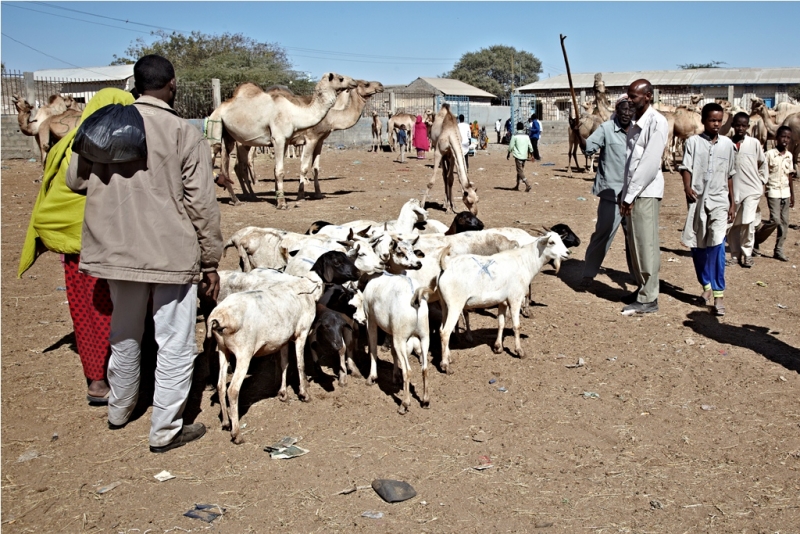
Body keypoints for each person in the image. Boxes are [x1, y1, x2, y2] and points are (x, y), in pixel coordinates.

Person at [66, 55, 223, 453]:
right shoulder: (183, 133)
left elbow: (75, 180)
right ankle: (165, 430)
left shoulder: (104, 122)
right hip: (170, 253)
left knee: (124, 333)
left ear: (136, 84)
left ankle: (119, 411)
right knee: (174, 341)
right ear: (171, 85)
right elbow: (201, 204)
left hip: (118, 250)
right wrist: (210, 260)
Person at [19, 88, 135, 405]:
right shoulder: (124, 149)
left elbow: (53, 192)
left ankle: (97, 380)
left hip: (73, 245)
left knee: (84, 310)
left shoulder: (65, 147)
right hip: (110, 245)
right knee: (119, 311)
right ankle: (124, 381)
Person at [679, 103, 736, 316]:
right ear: (703, 121)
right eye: (712, 120)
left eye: (719, 120)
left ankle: (719, 295)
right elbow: (686, 168)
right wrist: (687, 187)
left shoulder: (727, 145)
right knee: (698, 246)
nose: (716, 124)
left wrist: (732, 202)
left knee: (717, 247)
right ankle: (706, 286)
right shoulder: (693, 142)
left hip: (720, 201)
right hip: (698, 200)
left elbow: (730, 174)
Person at [619, 79, 669, 315]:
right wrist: (625, 193)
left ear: (648, 96)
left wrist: (630, 194)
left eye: (634, 96)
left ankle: (649, 297)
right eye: (628, 96)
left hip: (644, 192)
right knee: (634, 244)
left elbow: (649, 164)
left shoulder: (657, 122)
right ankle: (642, 289)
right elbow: (630, 162)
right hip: (632, 192)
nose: (629, 100)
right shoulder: (636, 122)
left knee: (645, 244)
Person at [575, 95, 636, 288]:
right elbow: (588, 148)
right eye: (623, 109)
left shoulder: (639, 131)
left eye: (630, 109)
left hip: (635, 194)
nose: (626, 113)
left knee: (635, 238)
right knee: (603, 233)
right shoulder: (606, 129)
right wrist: (578, 134)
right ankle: (588, 273)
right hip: (612, 193)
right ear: (616, 111)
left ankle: (638, 277)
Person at [727, 112, 768, 268]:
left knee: (748, 223)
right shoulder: (727, 144)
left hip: (752, 190)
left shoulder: (754, 143)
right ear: (733, 126)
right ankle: (735, 255)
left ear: (748, 127)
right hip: (733, 192)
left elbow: (762, 163)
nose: (740, 128)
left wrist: (762, 181)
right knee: (733, 225)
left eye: (744, 125)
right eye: (737, 125)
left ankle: (747, 254)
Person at [754, 125, 796, 261]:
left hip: (785, 192)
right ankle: (756, 239)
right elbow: (763, 173)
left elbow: (789, 176)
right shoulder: (769, 155)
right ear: (777, 138)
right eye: (783, 137)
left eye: (788, 138)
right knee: (775, 220)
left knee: (784, 222)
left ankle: (778, 250)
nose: (785, 140)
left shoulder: (789, 155)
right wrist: (762, 189)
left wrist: (793, 194)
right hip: (773, 191)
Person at [506, 121, 533, 192]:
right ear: (523, 128)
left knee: (520, 172)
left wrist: (508, 153)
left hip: (518, 156)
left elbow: (511, 146)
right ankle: (517, 185)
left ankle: (527, 184)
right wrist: (531, 154)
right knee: (520, 171)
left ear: (517, 128)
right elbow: (530, 146)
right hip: (524, 156)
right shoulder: (526, 136)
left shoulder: (515, 136)